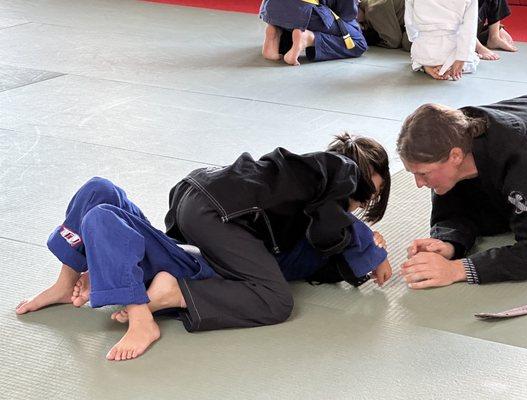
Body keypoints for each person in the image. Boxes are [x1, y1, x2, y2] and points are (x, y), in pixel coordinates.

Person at [16, 133, 392, 359]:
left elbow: (325, 261)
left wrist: (102, 257)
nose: (357, 207)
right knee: (277, 302)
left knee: (100, 193)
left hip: (192, 215)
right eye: (360, 197)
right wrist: (372, 254)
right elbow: (336, 234)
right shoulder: (325, 198)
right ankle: (147, 312)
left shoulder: (295, 202)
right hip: (203, 255)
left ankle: (71, 284)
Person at [396, 93, 527, 289]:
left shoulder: (520, 162)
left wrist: (457, 269)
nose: (419, 183)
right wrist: (448, 243)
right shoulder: (454, 134)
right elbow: (454, 211)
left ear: (456, 156)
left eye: (423, 174)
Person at [259, 0, 368, 65]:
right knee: (358, 42)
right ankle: (308, 38)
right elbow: (346, 15)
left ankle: (275, 33)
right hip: (303, 11)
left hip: (272, 8)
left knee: (288, 40)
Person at [404, 0, 479, 81]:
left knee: (417, 57)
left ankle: (426, 66)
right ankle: (449, 69)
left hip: (425, 48)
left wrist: (415, 39)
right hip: (451, 48)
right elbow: (469, 28)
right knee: (473, 58)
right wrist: (462, 58)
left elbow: (409, 22)